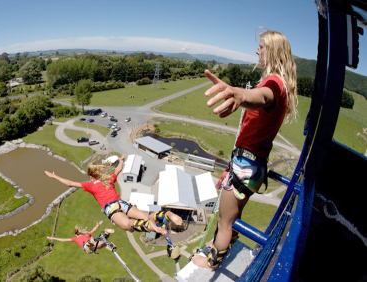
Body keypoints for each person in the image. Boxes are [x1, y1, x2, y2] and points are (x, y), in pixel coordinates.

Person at [191, 29, 298, 269]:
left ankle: (212, 261)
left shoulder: (273, 84)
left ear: (273, 50)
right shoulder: (281, 86)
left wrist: (239, 94)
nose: (257, 50)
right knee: (233, 216)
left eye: (261, 46)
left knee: (225, 219)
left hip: (245, 166)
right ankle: (223, 241)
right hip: (253, 165)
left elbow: (260, 96)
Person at [44, 154, 183, 235]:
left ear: (91, 176)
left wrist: (54, 177)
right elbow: (119, 169)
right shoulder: (109, 179)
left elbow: (69, 183)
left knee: (127, 225)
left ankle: (151, 227)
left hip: (112, 208)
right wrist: (122, 158)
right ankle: (167, 214)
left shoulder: (90, 185)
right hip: (122, 203)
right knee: (147, 216)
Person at [47, 221, 114, 254]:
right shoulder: (86, 234)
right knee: (99, 242)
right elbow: (94, 230)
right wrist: (98, 224)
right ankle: (105, 234)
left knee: (100, 244)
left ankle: (106, 234)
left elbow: (63, 240)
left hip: (88, 248)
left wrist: (53, 238)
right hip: (90, 245)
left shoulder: (76, 238)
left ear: (77, 234)